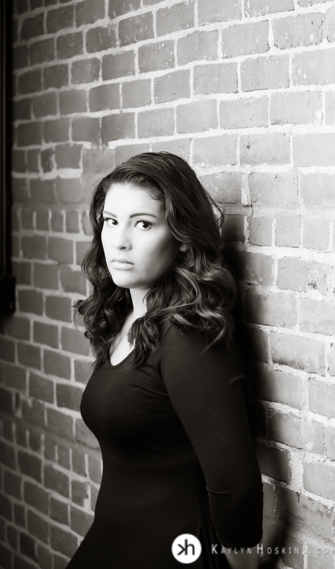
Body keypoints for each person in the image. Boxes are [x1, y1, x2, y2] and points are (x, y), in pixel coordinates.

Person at [68, 152, 263, 569]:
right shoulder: (127, 319)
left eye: (143, 224)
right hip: (113, 544)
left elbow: (234, 482)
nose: (120, 240)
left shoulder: (189, 335)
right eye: (111, 220)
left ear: (180, 237)